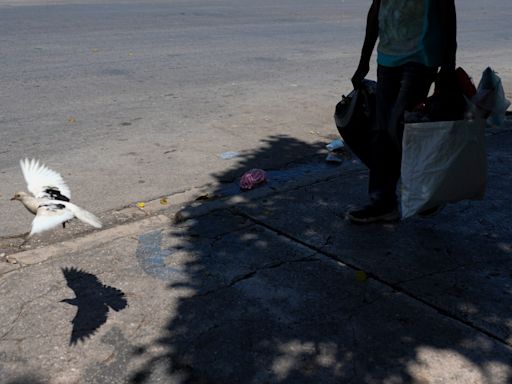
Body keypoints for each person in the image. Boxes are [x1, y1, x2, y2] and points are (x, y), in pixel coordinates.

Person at [346, 0, 457, 223]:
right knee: (380, 131)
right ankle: (383, 202)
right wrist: (363, 62)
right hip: (388, 57)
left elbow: (447, 14)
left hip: (421, 58)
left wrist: (448, 66)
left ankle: (423, 191)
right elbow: (376, 12)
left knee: (398, 128)